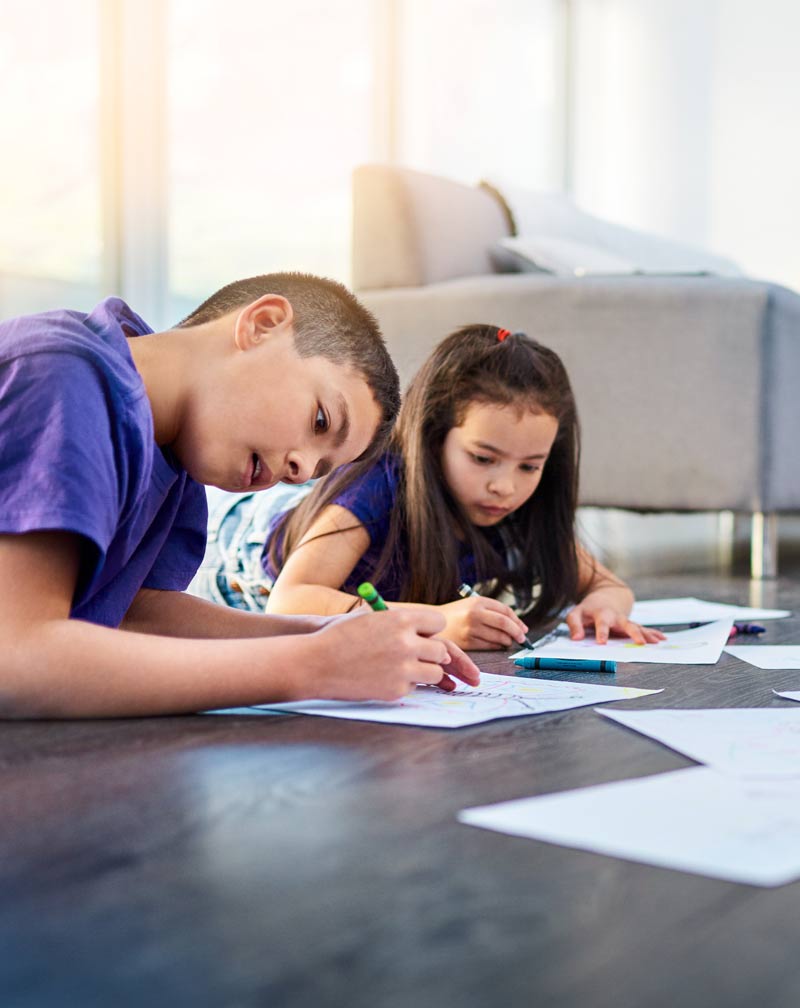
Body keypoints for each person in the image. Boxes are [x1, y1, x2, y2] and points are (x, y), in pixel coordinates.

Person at [0, 273, 480, 719]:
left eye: (321, 469)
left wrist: (329, 634)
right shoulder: (63, 377)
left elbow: (129, 614)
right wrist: (310, 665)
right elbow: (15, 657)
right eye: (320, 422)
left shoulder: (173, 448)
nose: (301, 471)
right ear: (262, 324)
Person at [196, 325, 664, 651]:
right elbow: (292, 599)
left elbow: (609, 585)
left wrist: (604, 608)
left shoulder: (517, 508)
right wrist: (438, 622)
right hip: (230, 539)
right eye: (483, 458)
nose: (504, 486)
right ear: (436, 435)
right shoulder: (377, 489)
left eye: (530, 466)